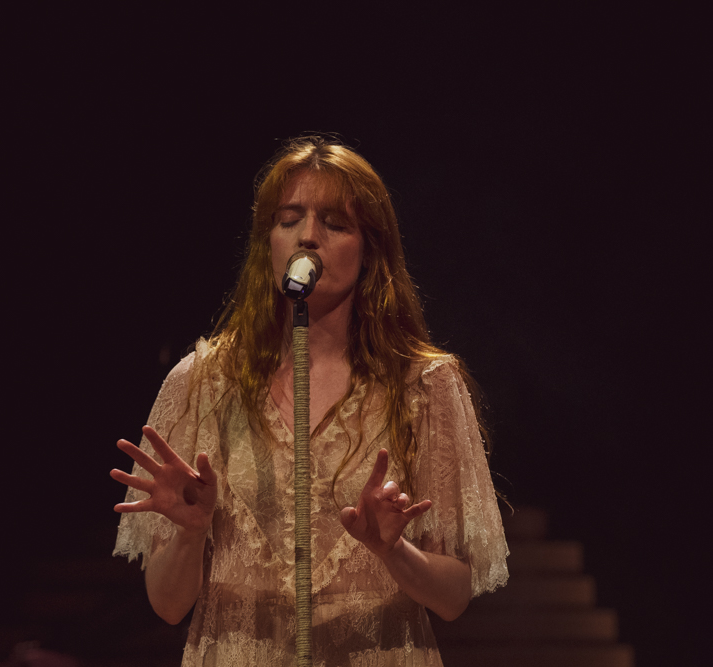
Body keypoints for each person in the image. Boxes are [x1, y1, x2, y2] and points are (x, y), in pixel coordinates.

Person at [111, 136, 509, 666]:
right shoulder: (203, 382)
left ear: (370, 250)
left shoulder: (425, 385)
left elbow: (454, 597)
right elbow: (166, 605)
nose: (308, 237)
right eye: (289, 218)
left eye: (335, 224)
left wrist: (394, 550)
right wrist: (191, 533)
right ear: (267, 243)